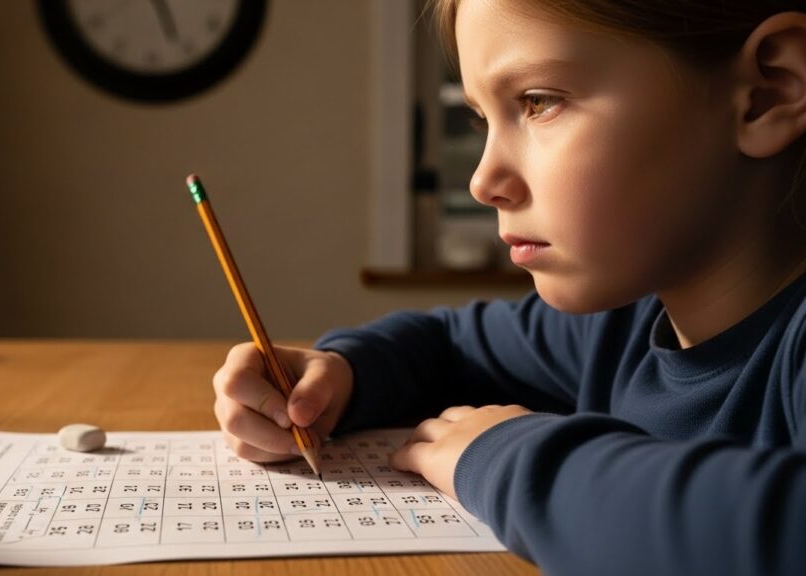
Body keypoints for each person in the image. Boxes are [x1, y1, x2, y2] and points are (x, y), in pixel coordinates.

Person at [211, 1, 806, 574]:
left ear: (767, 93)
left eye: (538, 101)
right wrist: (341, 375)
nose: (482, 180)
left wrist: (507, 457)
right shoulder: (618, 326)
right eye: (482, 120)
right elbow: (450, 346)